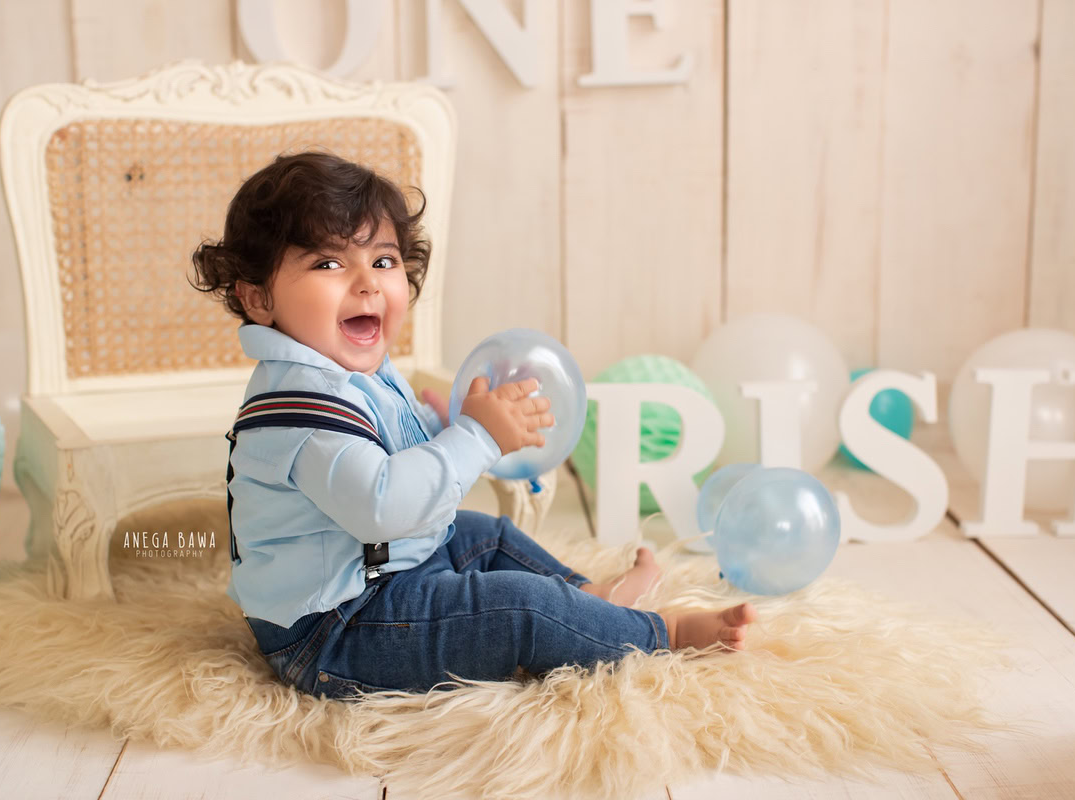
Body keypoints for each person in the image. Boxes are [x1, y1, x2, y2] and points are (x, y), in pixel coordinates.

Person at [189, 151, 756, 699]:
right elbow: (383, 504)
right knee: (517, 608)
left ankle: (591, 601)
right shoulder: (300, 408)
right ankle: (662, 635)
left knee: (484, 534)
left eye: (382, 261)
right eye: (329, 263)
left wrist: (437, 423)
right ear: (259, 298)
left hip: (387, 570)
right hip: (337, 632)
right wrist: (476, 437)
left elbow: (380, 453)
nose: (367, 283)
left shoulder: (346, 369)